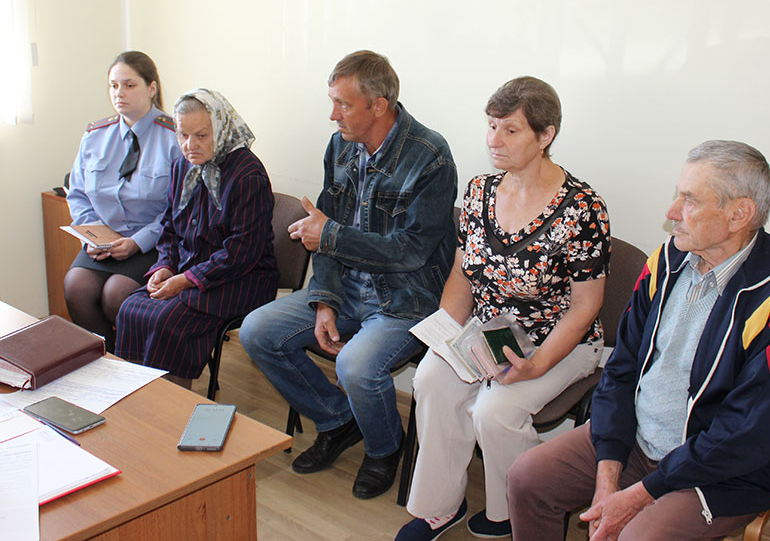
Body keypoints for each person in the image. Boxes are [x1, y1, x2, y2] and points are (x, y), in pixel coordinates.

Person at [507, 140, 770, 541]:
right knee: (527, 477)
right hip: (638, 439)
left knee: (637, 537)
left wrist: (639, 495)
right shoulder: (665, 262)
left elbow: (746, 435)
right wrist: (608, 477)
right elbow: (622, 369)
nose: (672, 211)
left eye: (689, 200)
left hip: (722, 474)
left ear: (739, 214)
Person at [395, 77, 610, 541]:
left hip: (560, 339)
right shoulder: (479, 191)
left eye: (510, 130)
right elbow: (462, 275)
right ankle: (438, 509)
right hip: (489, 332)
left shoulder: (583, 209)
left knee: (493, 411)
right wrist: (446, 336)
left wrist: (537, 365)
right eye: (491, 126)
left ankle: (519, 511)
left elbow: (585, 307)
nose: (494, 140)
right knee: (430, 378)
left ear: (545, 135)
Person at [239, 50, 457, 500]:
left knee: (355, 365)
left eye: (343, 104)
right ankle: (338, 420)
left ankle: (385, 447)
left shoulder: (430, 156)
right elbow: (322, 226)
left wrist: (331, 236)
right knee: (257, 331)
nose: (333, 114)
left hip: (405, 298)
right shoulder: (340, 146)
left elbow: (412, 250)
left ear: (379, 105)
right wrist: (324, 300)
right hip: (346, 289)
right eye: (332, 101)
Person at [115, 88, 278, 388]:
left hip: (242, 280)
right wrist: (164, 266)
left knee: (168, 320)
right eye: (183, 135)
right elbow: (169, 227)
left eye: (201, 135)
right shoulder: (181, 165)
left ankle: (171, 405)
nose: (190, 145)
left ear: (221, 128)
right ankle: (138, 399)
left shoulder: (247, 175)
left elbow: (241, 252)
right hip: (189, 271)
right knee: (131, 309)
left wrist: (185, 279)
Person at [64, 51, 180, 352]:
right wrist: (92, 235)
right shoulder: (95, 136)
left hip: (154, 241)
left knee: (116, 294)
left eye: (129, 85)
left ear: (151, 88)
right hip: (105, 241)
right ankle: (109, 360)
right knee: (76, 286)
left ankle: (140, 362)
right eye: (114, 86)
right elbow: (77, 194)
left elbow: (180, 208)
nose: (119, 93)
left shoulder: (175, 137)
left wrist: (137, 242)